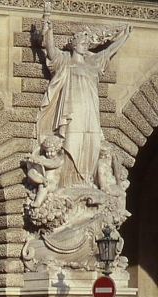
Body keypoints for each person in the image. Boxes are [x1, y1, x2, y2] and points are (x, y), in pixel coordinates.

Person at [36, 18, 130, 189]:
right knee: (72, 142)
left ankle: (88, 182)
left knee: (91, 144)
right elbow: (50, 51)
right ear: (74, 44)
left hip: (91, 112)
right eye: (81, 42)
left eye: (87, 43)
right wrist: (48, 31)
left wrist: (125, 37)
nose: (84, 45)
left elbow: (108, 52)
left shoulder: (93, 63)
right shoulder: (65, 61)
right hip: (72, 112)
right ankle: (69, 183)